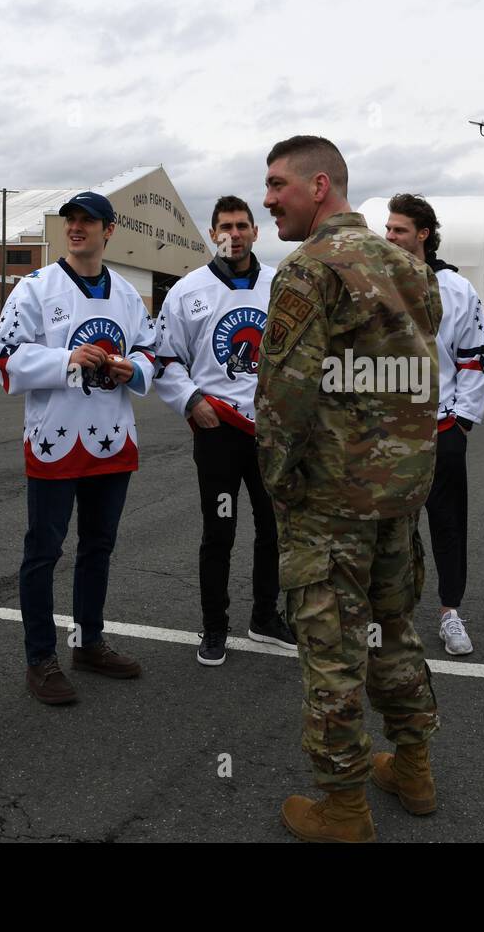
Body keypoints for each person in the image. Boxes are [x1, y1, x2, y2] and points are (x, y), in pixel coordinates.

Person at [257, 136, 441, 843]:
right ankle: (414, 769)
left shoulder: (309, 269)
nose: (269, 199)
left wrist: (279, 482)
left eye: (278, 185)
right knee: (393, 632)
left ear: (320, 185)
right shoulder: (408, 266)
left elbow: (285, 394)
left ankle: (343, 807)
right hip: (397, 496)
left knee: (332, 652)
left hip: (330, 502)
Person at [0, 191, 157, 705]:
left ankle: (88, 642)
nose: (78, 228)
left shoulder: (127, 293)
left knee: (98, 548)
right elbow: (3, 359)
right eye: (72, 221)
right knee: (43, 552)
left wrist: (135, 368)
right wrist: (65, 359)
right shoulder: (35, 288)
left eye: (89, 221)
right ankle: (41, 657)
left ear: (111, 230)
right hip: (56, 441)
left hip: (112, 439)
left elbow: (150, 351)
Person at [154, 195, 295, 666]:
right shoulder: (188, 290)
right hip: (218, 431)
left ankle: (265, 617)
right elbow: (165, 358)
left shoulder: (280, 285)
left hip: (270, 431)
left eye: (241, 226)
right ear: (213, 234)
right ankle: (214, 626)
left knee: (272, 527)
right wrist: (191, 401)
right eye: (224, 227)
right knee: (219, 531)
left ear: (257, 232)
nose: (233, 234)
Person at [384, 193, 484, 655]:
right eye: (387, 230)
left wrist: (462, 421)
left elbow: (475, 359)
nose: (389, 237)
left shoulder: (457, 289)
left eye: (399, 230)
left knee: (446, 525)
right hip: (387, 434)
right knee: (389, 531)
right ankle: (390, 619)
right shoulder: (375, 283)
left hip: (441, 430)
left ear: (423, 235)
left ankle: (450, 613)